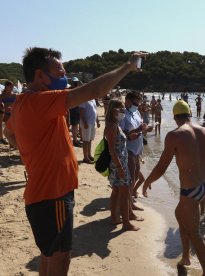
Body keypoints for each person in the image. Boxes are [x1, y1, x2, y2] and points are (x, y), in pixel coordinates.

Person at [4, 47, 147, 275]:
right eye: (60, 73)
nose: (64, 77)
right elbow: (95, 89)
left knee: (48, 256)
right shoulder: (40, 101)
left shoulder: (22, 102)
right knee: (60, 260)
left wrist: (29, 154)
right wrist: (128, 65)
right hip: (54, 195)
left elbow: (8, 132)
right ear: (40, 75)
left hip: (42, 194)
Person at [142, 100, 205, 276]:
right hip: (203, 186)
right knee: (179, 214)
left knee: (195, 234)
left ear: (175, 117)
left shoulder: (175, 135)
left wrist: (147, 181)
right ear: (190, 114)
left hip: (189, 191)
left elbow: (161, 167)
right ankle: (185, 258)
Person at [105, 99, 141, 231]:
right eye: (120, 109)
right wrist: (120, 167)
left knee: (116, 191)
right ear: (113, 110)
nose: (122, 112)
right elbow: (112, 149)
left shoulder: (115, 123)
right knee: (124, 194)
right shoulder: (111, 125)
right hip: (119, 164)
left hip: (119, 162)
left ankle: (114, 217)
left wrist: (131, 136)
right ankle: (126, 223)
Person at [119, 91, 152, 212]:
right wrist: (138, 129)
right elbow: (121, 133)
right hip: (128, 149)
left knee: (136, 174)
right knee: (131, 178)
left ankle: (129, 200)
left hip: (138, 148)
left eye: (138, 103)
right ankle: (128, 205)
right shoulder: (122, 114)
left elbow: (139, 129)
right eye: (134, 103)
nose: (136, 106)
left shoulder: (137, 112)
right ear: (127, 100)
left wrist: (146, 128)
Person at [79, 98, 100, 163]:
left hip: (92, 123)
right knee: (85, 140)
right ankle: (85, 157)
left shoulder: (93, 99)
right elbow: (81, 112)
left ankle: (89, 155)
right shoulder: (83, 99)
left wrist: (97, 121)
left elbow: (95, 111)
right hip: (86, 123)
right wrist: (85, 122)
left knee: (90, 140)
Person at [68, 77, 82, 147]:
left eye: (76, 83)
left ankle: (76, 139)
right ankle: (75, 141)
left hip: (77, 109)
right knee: (74, 126)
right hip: (73, 109)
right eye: (75, 83)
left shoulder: (77, 89)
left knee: (76, 125)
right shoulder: (69, 90)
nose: (76, 84)